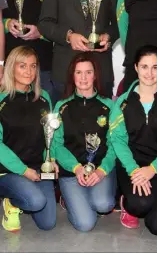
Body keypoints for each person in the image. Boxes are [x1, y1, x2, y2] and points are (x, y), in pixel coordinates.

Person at [109, 45, 157, 235]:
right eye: (144, 67)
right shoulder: (123, 101)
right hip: (133, 165)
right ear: (135, 67)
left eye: (155, 67)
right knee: (140, 204)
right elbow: (118, 140)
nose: (149, 73)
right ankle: (127, 202)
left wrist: (153, 169)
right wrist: (135, 170)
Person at [0, 46, 57, 232]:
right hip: (8, 171)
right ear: (11, 67)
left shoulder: (44, 97)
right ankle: (12, 203)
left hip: (37, 168)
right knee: (35, 201)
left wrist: (52, 159)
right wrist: (23, 171)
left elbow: (51, 137)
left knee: (48, 223)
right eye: (22, 66)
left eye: (33, 66)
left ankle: (25, 193)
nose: (29, 71)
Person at [51, 52, 116, 232]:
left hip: (99, 169)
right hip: (72, 171)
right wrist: (76, 168)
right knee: (85, 224)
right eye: (79, 73)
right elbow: (56, 145)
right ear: (72, 76)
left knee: (103, 204)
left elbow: (114, 145)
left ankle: (92, 194)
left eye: (88, 72)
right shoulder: (61, 106)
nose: (84, 77)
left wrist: (102, 171)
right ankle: (70, 198)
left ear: (95, 75)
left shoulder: (109, 106)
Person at [0, 0, 55, 101]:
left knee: (44, 116)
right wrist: (7, 23)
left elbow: (62, 24)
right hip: (11, 67)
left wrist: (42, 32)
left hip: (43, 67)